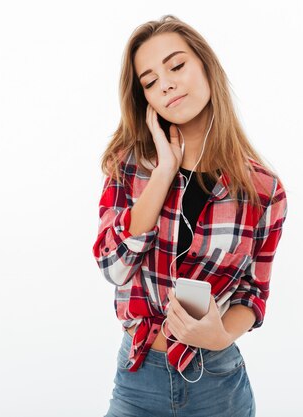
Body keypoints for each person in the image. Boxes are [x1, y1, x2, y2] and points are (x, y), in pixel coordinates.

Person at [92, 14, 288, 417]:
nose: (165, 83)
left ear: (206, 67)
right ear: (144, 98)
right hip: (138, 377)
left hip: (218, 383)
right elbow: (113, 267)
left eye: (176, 66)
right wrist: (164, 171)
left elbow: (254, 294)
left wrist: (219, 335)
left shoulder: (264, 191)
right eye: (149, 81)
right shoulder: (128, 167)